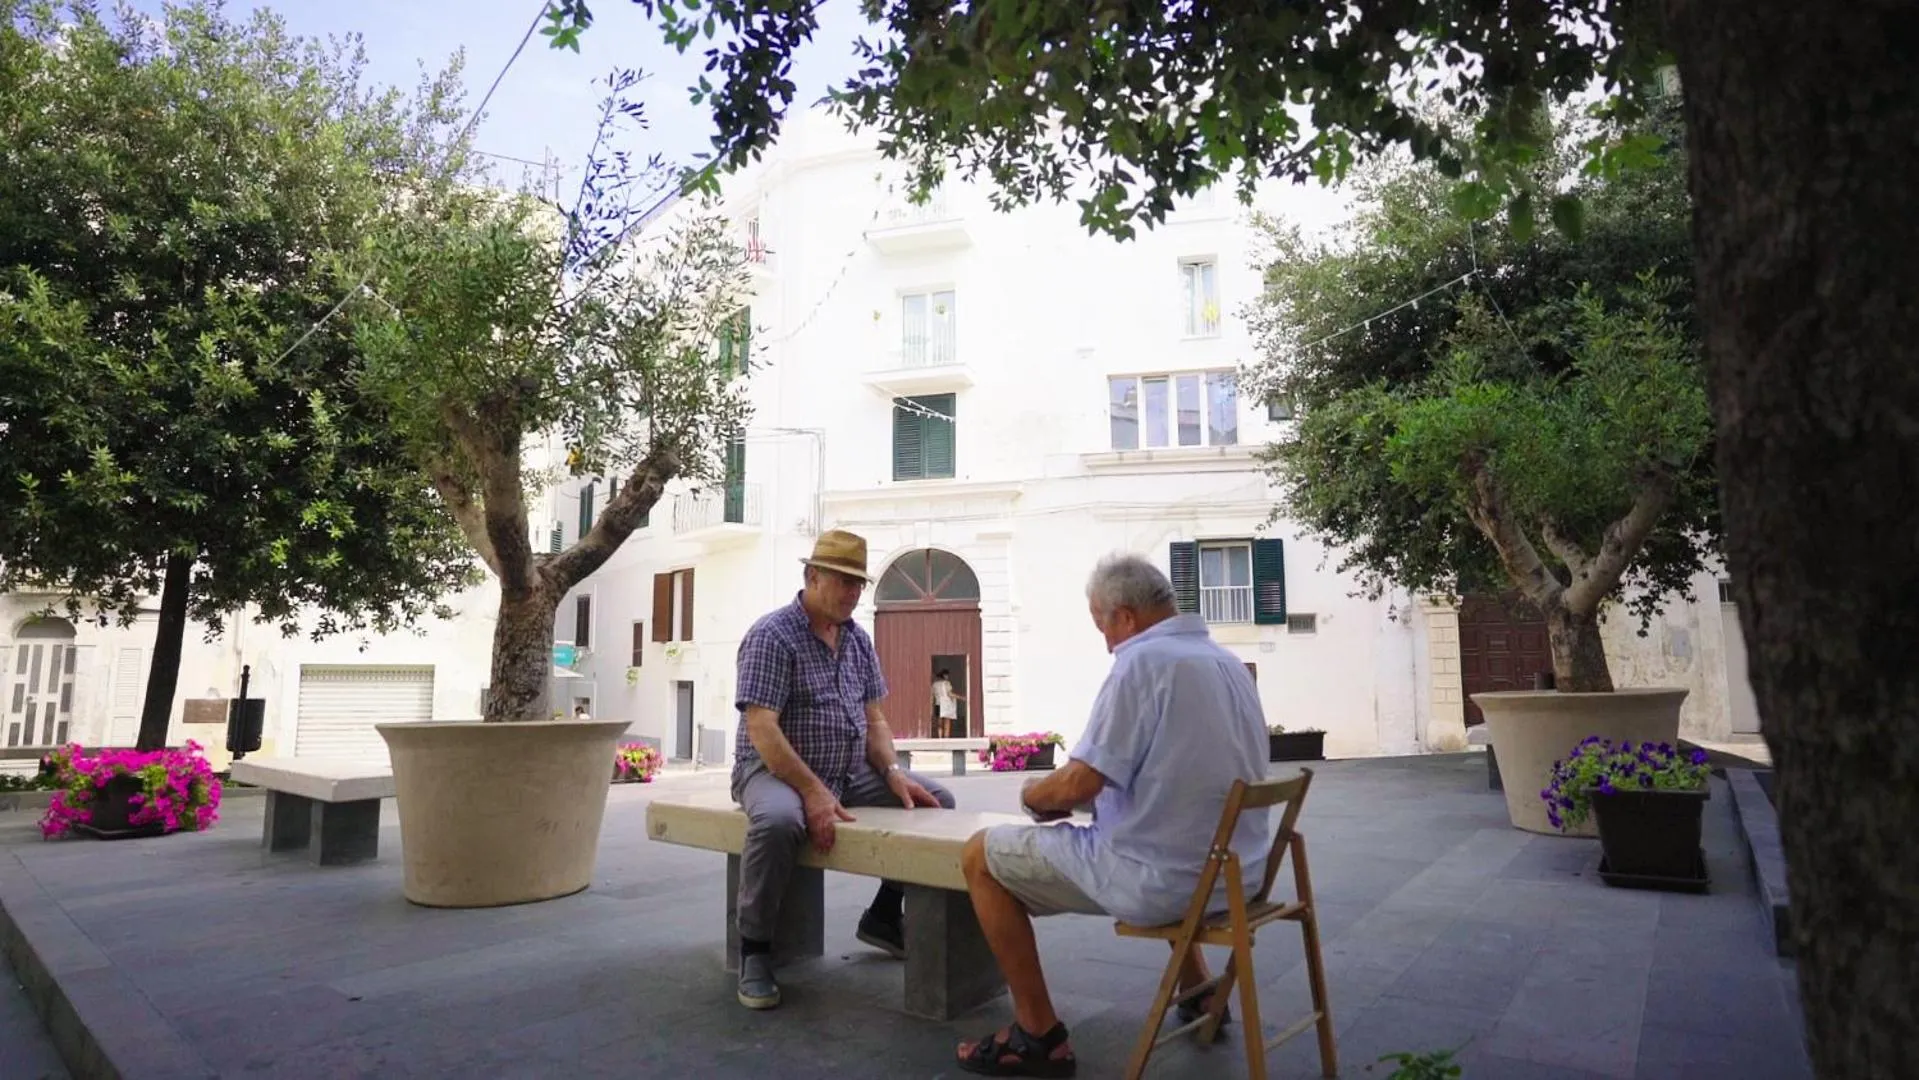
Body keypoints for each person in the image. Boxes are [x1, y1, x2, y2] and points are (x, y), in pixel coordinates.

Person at [953, 553, 1271, 1077]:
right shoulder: (1228, 663)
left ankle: (1038, 1034)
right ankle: (1196, 987)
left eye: (1102, 626)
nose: (1105, 642)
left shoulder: (1142, 664)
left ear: (1124, 616)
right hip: (1238, 873)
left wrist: (1035, 795)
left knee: (980, 856)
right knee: (1166, 824)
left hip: (1164, 881)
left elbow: (1080, 781)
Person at [731, 528, 958, 1010]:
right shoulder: (772, 635)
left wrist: (894, 772)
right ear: (811, 577)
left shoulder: (858, 639)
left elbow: (875, 718)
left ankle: (881, 915)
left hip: (848, 771)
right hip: (771, 770)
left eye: (859, 584)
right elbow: (763, 730)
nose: (853, 594)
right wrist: (812, 792)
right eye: (842, 581)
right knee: (777, 823)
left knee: (937, 804)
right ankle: (755, 949)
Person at [932, 667, 965, 738]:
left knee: (939, 723)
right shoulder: (947, 683)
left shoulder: (934, 684)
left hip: (938, 704)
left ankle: (940, 737)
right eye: (947, 675)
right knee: (947, 722)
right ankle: (946, 738)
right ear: (944, 675)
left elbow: (933, 695)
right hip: (946, 704)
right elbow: (950, 694)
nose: (948, 676)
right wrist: (961, 697)